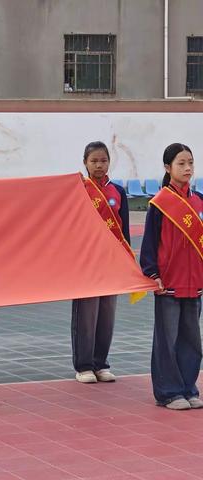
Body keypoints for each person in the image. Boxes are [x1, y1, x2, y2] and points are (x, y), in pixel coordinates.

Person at [140, 143, 203, 410]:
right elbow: (150, 244)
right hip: (169, 283)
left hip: (196, 282)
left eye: (190, 162)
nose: (187, 168)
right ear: (168, 168)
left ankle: (189, 387)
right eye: (181, 163)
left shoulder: (200, 200)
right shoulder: (160, 204)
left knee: (192, 338)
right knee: (167, 339)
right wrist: (152, 274)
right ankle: (168, 392)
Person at [72, 141, 131, 383]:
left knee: (107, 314)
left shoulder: (118, 191)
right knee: (87, 314)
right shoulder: (77, 190)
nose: (99, 165)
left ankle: (101, 363)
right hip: (86, 261)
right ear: (85, 163)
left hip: (111, 261)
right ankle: (84, 366)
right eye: (94, 161)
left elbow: (124, 229)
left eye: (103, 160)